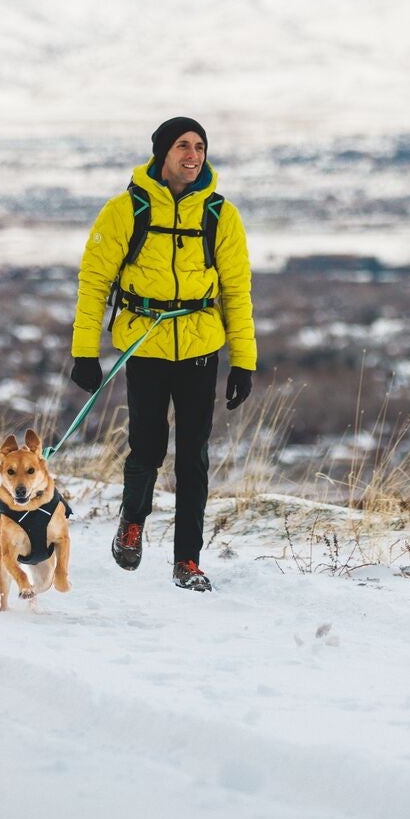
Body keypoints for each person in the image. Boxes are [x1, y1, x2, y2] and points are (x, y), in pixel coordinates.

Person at [69, 117, 256, 591]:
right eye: (182, 146)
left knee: (193, 455)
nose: (193, 155)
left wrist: (244, 361)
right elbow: (94, 284)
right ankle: (132, 525)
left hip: (200, 349)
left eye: (200, 147)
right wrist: (84, 353)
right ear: (161, 152)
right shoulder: (124, 211)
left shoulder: (220, 215)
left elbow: (236, 292)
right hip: (144, 345)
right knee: (148, 446)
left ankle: (187, 562)